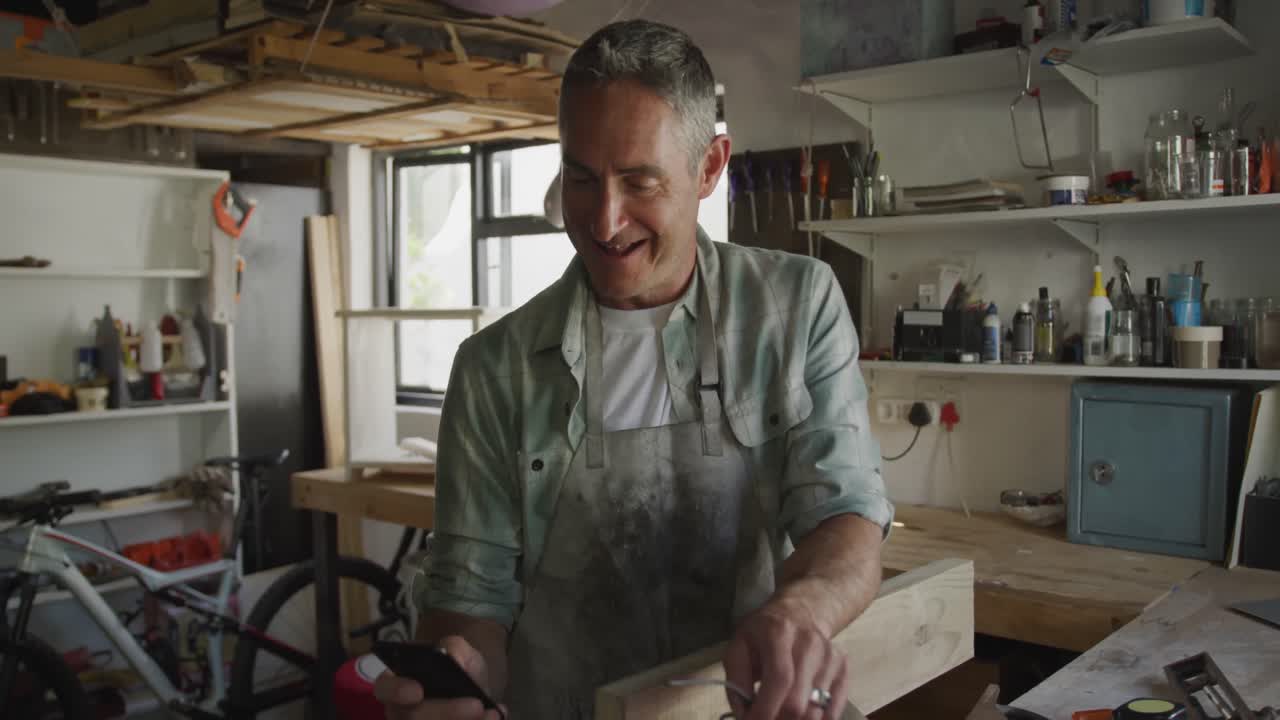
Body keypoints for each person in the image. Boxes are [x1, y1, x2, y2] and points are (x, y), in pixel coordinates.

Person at [376, 18, 893, 720]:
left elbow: (846, 515)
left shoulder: (795, 308)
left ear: (709, 168)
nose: (605, 220)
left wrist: (800, 613)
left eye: (639, 182)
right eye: (581, 179)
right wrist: (459, 666)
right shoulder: (494, 370)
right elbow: (471, 601)